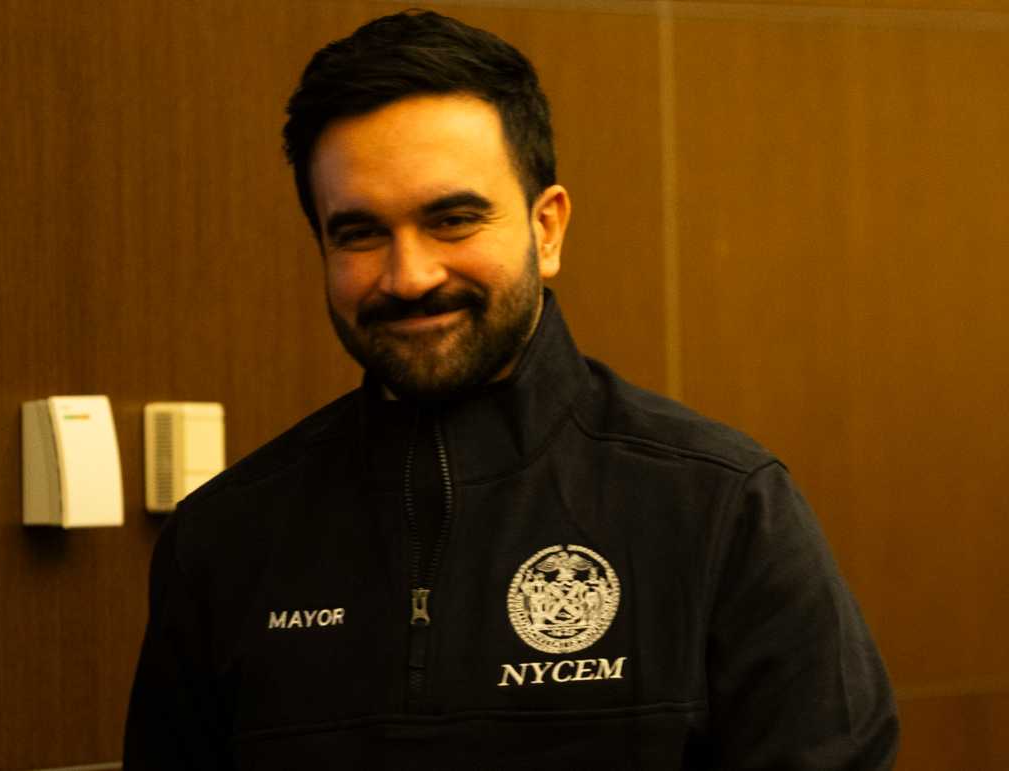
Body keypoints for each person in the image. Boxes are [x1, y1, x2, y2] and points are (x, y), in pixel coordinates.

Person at [124, 10, 898, 769]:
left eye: (453, 219)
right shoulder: (223, 544)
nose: (409, 276)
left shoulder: (720, 508)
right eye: (360, 233)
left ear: (547, 228)